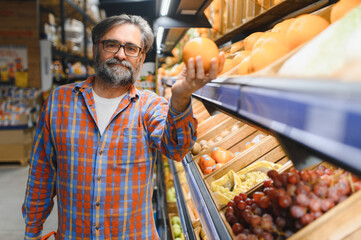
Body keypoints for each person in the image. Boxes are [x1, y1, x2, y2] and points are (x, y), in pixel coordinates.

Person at [22, 14, 225, 239]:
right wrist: (32, 231)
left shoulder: (150, 106)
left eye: (131, 48)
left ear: (141, 57)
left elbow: (177, 150)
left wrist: (180, 99)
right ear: (95, 49)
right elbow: (41, 174)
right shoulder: (59, 102)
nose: (120, 54)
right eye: (111, 45)